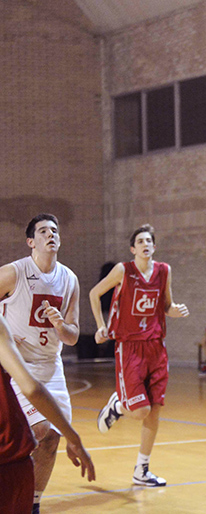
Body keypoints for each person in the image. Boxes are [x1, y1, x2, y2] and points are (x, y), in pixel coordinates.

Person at [91, 223, 189, 487]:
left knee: (154, 411)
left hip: (156, 347)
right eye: (140, 241)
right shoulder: (123, 270)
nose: (145, 244)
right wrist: (101, 326)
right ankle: (118, 406)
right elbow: (94, 293)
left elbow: (166, 305)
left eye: (149, 241)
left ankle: (141, 470)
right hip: (130, 346)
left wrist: (174, 311)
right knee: (140, 410)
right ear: (133, 249)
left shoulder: (164, 271)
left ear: (154, 246)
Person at [0, 214, 81, 513]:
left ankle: (33, 503)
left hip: (51, 365)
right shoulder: (14, 272)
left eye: (55, 230)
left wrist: (61, 326)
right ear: (31, 241)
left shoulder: (69, 279)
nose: (51, 235)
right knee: (38, 429)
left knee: (51, 439)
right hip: (17, 365)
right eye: (43, 231)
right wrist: (4, 336)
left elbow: (73, 336)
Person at [0, 312, 95, 514]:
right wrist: (73, 437)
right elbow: (32, 389)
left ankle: (34, 504)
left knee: (46, 435)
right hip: (9, 459)